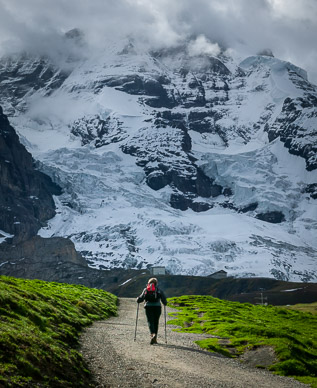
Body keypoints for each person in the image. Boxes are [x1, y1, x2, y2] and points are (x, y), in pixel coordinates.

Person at [136, 277, 167, 344]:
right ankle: (155, 338)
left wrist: (138, 299)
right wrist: (164, 303)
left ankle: (152, 334)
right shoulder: (159, 290)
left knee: (150, 321)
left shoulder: (146, 290)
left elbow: (141, 299)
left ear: (149, 283)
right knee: (156, 322)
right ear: (156, 283)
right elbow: (164, 300)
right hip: (157, 307)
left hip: (148, 307)